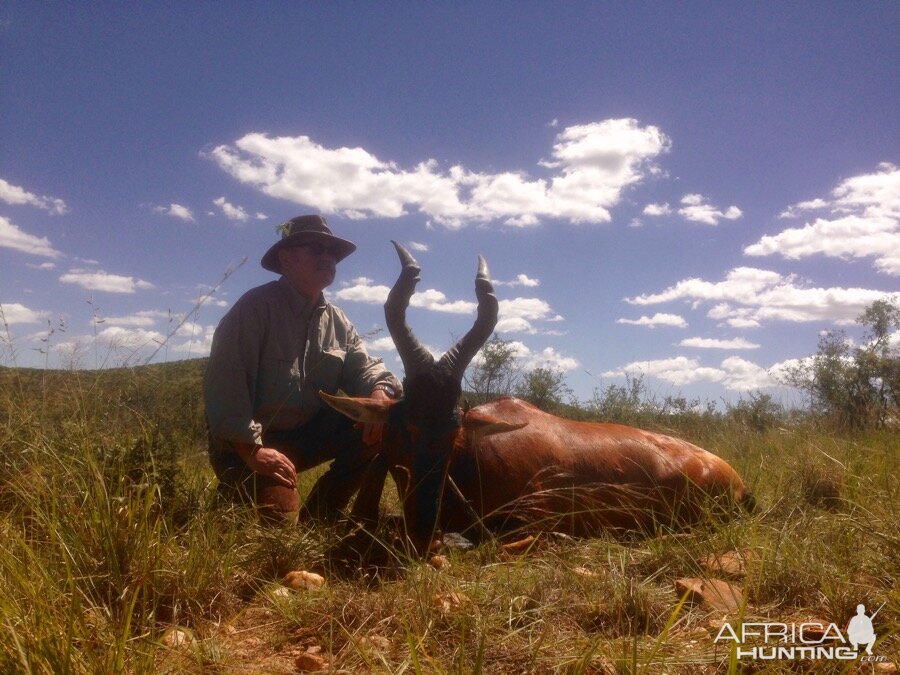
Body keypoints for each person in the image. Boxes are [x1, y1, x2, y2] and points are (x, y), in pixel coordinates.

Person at [203, 215, 402, 524]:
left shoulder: (337, 320)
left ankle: (321, 516)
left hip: (304, 436)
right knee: (278, 527)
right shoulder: (254, 308)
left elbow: (366, 368)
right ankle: (238, 491)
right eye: (315, 249)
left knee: (377, 425)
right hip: (248, 445)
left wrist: (381, 389)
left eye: (332, 252)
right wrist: (252, 452)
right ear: (286, 258)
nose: (328, 258)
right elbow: (226, 389)